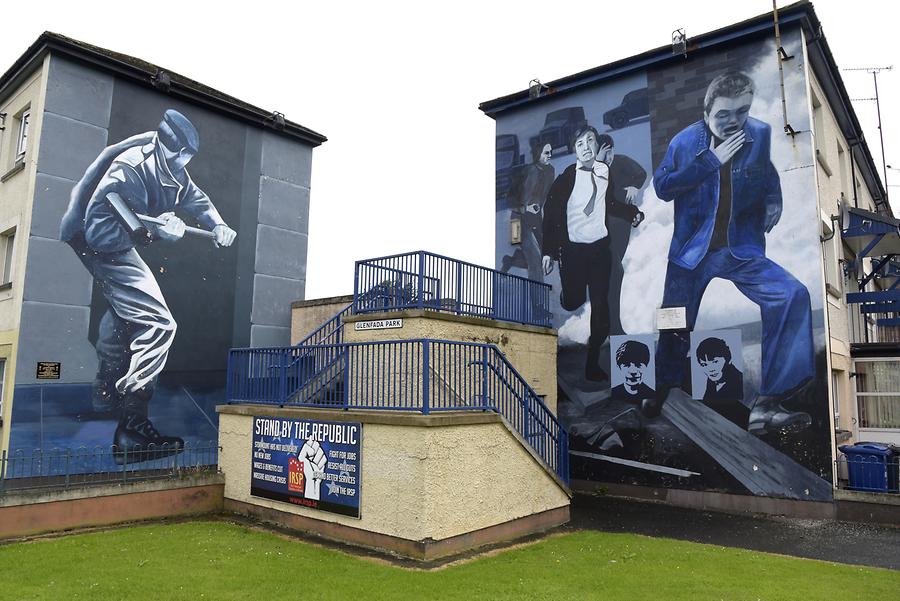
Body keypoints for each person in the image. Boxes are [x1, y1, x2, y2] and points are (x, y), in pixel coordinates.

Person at [59, 109, 237, 462]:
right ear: (169, 147)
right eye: (182, 156)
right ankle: (131, 428)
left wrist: (218, 224)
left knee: (125, 311)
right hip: (98, 241)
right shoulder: (129, 172)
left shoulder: (168, 164)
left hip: (112, 238)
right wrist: (157, 231)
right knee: (158, 323)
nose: (184, 164)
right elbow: (102, 235)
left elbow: (194, 197)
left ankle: (105, 395)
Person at [652, 72, 813, 434]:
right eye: (724, 114)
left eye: (741, 111)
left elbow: (767, 172)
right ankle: (663, 387)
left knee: (793, 294)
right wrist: (709, 160)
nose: (733, 121)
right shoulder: (684, 142)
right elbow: (662, 186)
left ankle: (769, 404)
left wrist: (774, 199)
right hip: (691, 253)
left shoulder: (758, 134)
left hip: (738, 248)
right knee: (674, 323)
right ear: (707, 110)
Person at [542, 125, 642, 381]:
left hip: (599, 249)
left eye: (590, 141)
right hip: (573, 251)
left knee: (601, 309)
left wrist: (632, 214)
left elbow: (608, 203)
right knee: (574, 301)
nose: (587, 147)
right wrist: (549, 252)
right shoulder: (566, 178)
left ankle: (592, 363)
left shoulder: (604, 171)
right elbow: (551, 214)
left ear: (597, 145)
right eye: (580, 144)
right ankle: (569, 296)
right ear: (575, 150)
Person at [595, 134, 648, 335]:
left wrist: (635, 186)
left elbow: (641, 173)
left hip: (622, 228)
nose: (608, 157)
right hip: (602, 232)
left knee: (611, 276)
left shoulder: (622, 162)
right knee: (615, 273)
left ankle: (606, 324)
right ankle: (613, 327)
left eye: (611, 152)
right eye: (604, 153)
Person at [499, 143, 555, 319]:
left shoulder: (550, 171)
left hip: (536, 218)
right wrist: (526, 208)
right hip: (517, 220)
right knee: (535, 261)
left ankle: (511, 260)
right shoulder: (527, 172)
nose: (550, 155)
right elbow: (510, 200)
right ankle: (537, 307)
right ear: (538, 153)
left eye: (551, 152)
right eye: (546, 152)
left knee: (544, 255)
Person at [695, 337, 748, 428]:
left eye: (715, 362)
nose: (710, 369)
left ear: (728, 359)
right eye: (704, 364)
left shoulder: (741, 382)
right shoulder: (712, 381)